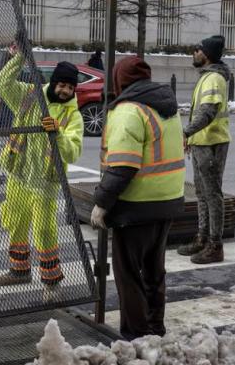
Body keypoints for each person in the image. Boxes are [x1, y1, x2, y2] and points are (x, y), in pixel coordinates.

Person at [90, 56, 185, 340]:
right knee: (154, 270)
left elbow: (122, 166)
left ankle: (136, 335)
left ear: (119, 79)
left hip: (137, 206)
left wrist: (102, 203)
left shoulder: (128, 111)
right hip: (168, 200)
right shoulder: (167, 106)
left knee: (128, 274)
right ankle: (156, 326)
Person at [0, 45, 84, 302]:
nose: (65, 90)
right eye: (61, 85)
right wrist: (19, 56)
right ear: (53, 83)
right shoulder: (30, 96)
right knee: (16, 221)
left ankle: (51, 281)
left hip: (44, 182)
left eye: (70, 87)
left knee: (44, 230)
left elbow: (73, 152)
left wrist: (58, 134)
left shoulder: (72, 115)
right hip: (19, 174)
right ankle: (19, 271)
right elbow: (1, 82)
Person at [177, 35, 231, 264]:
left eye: (197, 49)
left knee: (212, 195)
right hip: (202, 143)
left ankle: (215, 245)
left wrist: (185, 132)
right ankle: (202, 239)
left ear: (206, 54)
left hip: (212, 143)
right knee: (202, 194)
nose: (194, 53)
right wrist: (191, 138)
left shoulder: (213, 79)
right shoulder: (207, 77)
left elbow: (207, 113)